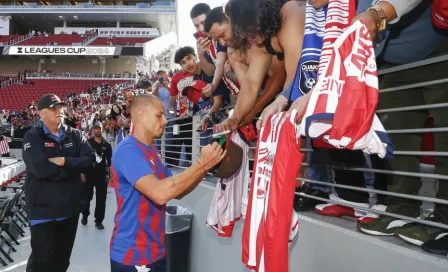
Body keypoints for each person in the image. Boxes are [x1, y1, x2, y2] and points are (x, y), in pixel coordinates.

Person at [110, 95, 226, 271]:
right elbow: (160, 194)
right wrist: (202, 164)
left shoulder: (154, 153)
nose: (165, 121)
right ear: (141, 115)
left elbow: (177, 191)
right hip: (134, 255)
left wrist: (204, 169)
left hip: (156, 251)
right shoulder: (128, 150)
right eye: (159, 115)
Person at [22, 94, 95, 272]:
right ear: (41, 113)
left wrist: (64, 161)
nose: (59, 111)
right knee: (41, 260)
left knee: (62, 261)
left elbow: (90, 161)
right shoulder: (32, 137)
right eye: (53, 108)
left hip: (69, 210)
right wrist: (73, 172)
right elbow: (40, 169)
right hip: (42, 210)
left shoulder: (75, 135)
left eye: (60, 107)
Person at [204, 5, 286, 127]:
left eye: (222, 35)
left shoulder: (258, 34)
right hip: (275, 100)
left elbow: (279, 76)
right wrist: (236, 117)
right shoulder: (233, 52)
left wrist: (253, 111)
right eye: (217, 40)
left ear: (232, 21)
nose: (222, 43)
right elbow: (249, 86)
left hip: (292, 91)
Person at [81, 121, 112, 230]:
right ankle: (85, 215)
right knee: (86, 199)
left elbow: (110, 162)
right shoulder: (87, 143)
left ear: (102, 129)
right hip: (88, 175)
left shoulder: (107, 145)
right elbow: (82, 159)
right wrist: (82, 172)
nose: (98, 130)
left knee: (101, 199)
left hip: (101, 176)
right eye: (96, 128)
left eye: (99, 128)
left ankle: (99, 221)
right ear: (93, 129)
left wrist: (110, 175)